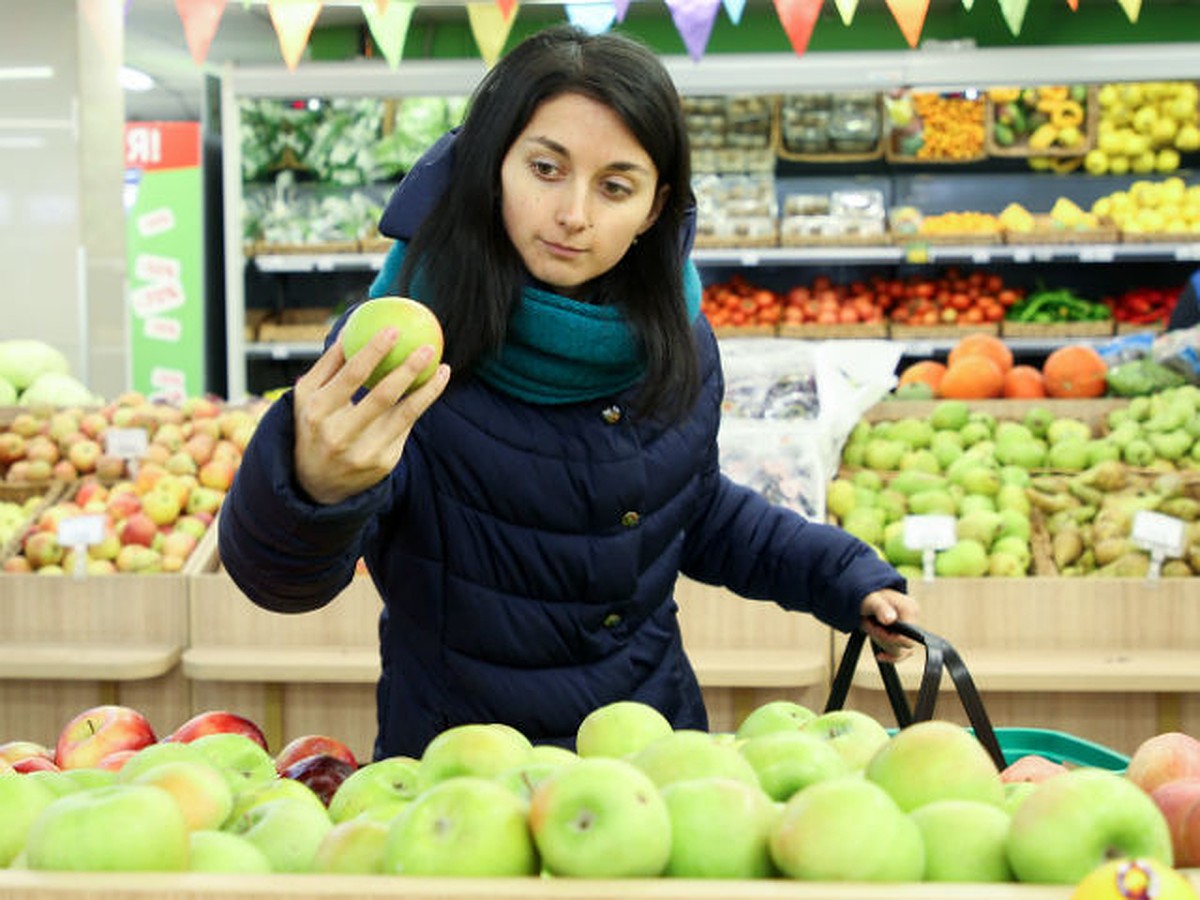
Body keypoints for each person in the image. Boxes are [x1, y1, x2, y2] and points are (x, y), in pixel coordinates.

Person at [218, 24, 919, 761]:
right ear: (492, 167)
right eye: (546, 169)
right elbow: (278, 582)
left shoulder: (674, 338)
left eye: (615, 186)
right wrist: (311, 487)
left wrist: (842, 576)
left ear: (655, 208)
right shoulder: (404, 350)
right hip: (465, 783)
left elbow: (694, 509)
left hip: (652, 761)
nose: (574, 214)